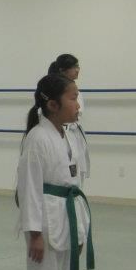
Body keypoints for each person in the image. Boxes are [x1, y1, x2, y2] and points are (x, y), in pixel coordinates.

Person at [17, 74, 94, 270]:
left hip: (66, 214)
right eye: (73, 97)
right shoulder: (38, 138)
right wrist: (33, 233)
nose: (78, 104)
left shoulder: (67, 135)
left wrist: (81, 227)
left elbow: (73, 181)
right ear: (52, 104)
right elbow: (29, 189)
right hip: (45, 223)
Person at [49, 54, 89, 184]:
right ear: (62, 70)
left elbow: (78, 113)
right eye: (74, 67)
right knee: (65, 174)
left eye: (78, 66)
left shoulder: (75, 90)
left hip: (73, 135)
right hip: (62, 135)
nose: (77, 69)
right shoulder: (54, 92)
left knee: (76, 175)